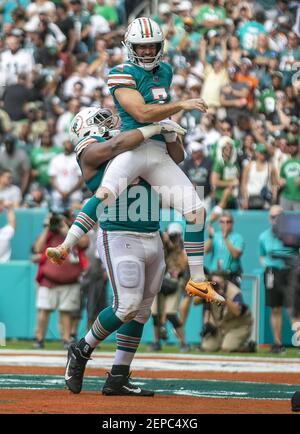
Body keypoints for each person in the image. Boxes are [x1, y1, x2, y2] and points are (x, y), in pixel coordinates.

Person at [46, 109, 181, 395]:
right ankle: (82, 349)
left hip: (151, 232)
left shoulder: (131, 147)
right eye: (100, 120)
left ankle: (118, 376)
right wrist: (153, 127)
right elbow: (115, 148)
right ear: (83, 130)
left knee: (141, 311)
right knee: (127, 306)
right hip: (119, 233)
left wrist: (168, 130)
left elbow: (175, 157)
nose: (109, 123)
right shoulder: (91, 154)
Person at [102, 17, 224, 304]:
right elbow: (143, 113)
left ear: (160, 46)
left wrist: (171, 133)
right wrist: (181, 104)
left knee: (196, 211)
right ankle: (69, 242)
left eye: (151, 46)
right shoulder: (121, 73)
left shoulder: (165, 71)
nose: (146, 52)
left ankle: (197, 280)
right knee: (103, 195)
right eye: (141, 47)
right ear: (130, 47)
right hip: (133, 146)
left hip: (157, 150)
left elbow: (160, 114)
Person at [32, 211, 89, 349]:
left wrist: (66, 229)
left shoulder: (73, 234)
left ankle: (66, 339)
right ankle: (39, 339)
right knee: (43, 309)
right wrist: (47, 226)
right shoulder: (49, 235)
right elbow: (37, 248)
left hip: (70, 281)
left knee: (66, 311)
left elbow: (84, 243)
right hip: (48, 280)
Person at [259, 205, 298, 354]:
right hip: (272, 272)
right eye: (273, 217)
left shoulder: (294, 234)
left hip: (290, 272)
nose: (276, 220)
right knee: (275, 308)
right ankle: (277, 343)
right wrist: (269, 266)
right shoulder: (263, 236)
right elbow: (262, 255)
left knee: (293, 309)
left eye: (279, 216)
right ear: (269, 219)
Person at [150, 223, 190, 352]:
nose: (174, 238)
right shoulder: (161, 246)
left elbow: (184, 266)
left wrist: (177, 247)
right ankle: (156, 342)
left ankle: (183, 342)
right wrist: (165, 241)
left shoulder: (182, 249)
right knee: (155, 313)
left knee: (171, 314)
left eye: (176, 236)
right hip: (158, 281)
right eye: (172, 235)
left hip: (173, 283)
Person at [200, 272, 254, 353]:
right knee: (207, 347)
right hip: (222, 326)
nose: (216, 286)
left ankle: (246, 347)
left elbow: (238, 312)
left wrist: (225, 298)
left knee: (227, 348)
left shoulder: (234, 292)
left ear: (225, 282)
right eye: (214, 283)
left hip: (239, 326)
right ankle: (223, 342)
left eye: (219, 283)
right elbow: (196, 302)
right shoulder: (210, 291)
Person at [205, 211, 245, 287]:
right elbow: (206, 251)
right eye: (222, 222)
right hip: (215, 275)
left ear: (232, 223)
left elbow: (236, 255)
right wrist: (210, 237)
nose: (225, 224)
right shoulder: (215, 236)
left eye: (228, 222)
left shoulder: (238, 237)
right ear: (219, 223)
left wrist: (225, 238)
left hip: (231, 275)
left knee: (231, 298)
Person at [278, 139, 300, 211]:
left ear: (298, 146)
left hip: (298, 198)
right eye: (289, 145)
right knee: (285, 220)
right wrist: (280, 182)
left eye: (294, 145)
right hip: (286, 197)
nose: (291, 147)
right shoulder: (285, 163)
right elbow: (280, 178)